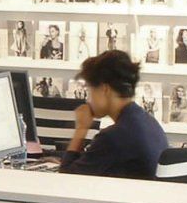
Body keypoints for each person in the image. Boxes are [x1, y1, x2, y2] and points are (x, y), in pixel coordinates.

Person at [59, 51, 168, 180]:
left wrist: (81, 129)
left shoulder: (113, 137)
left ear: (104, 89)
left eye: (90, 90)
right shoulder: (147, 121)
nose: (89, 99)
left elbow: (67, 179)